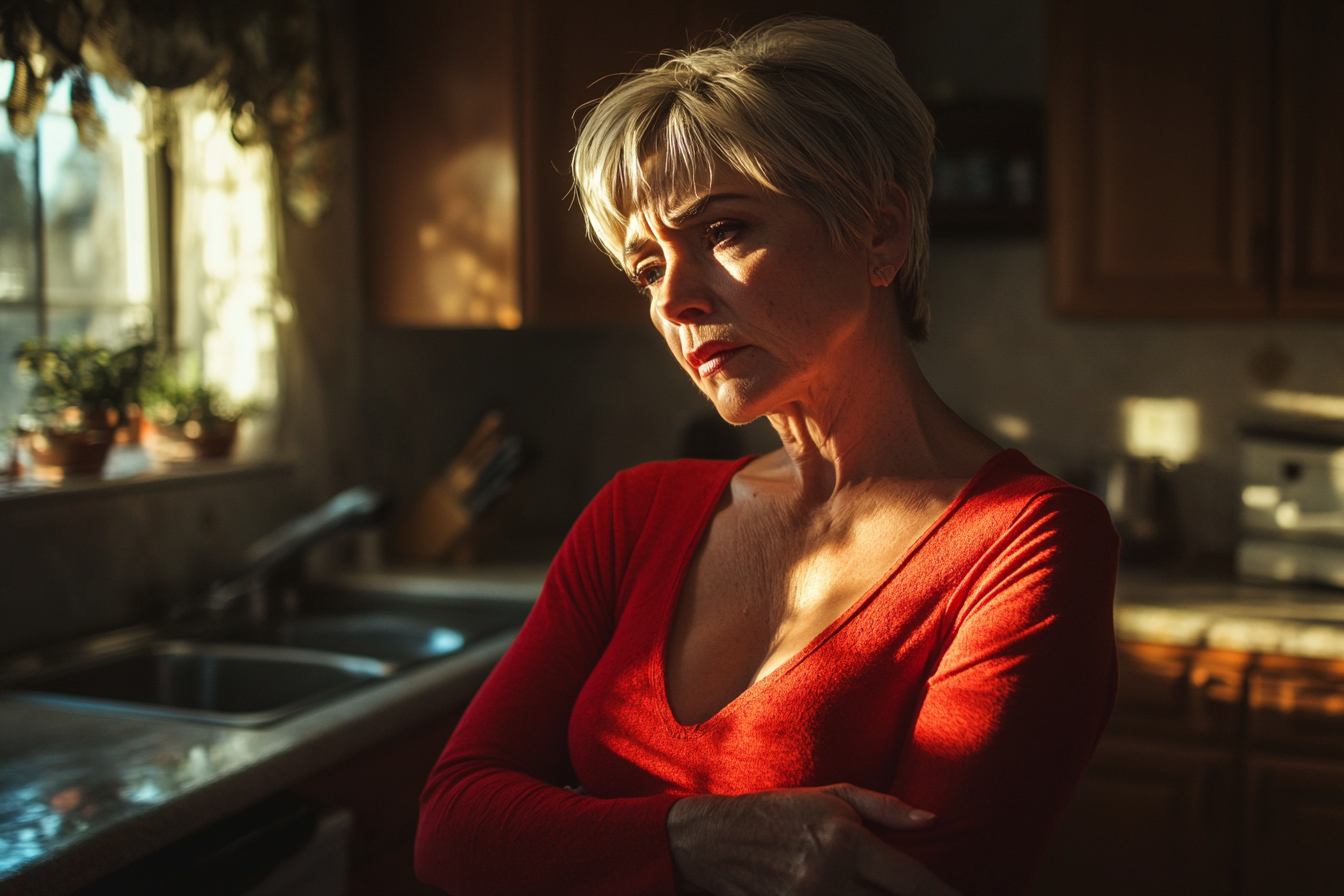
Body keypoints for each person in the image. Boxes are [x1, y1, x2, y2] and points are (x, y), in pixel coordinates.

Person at [416, 16, 1118, 896]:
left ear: (878, 233)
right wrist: (693, 838)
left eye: (723, 230)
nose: (673, 298)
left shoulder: (1023, 544)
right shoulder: (635, 516)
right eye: (644, 267)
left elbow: (924, 884)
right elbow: (451, 827)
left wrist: (577, 843)